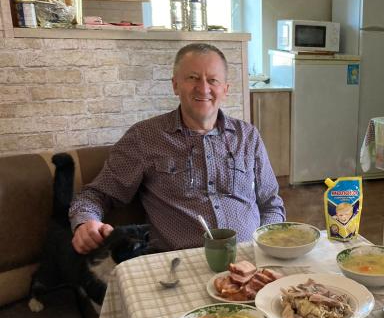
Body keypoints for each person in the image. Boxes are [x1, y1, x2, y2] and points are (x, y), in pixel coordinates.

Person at [70, 43, 285, 254]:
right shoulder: (145, 137)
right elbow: (97, 194)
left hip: (250, 258)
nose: (203, 88)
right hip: (181, 264)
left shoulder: (247, 136)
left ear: (225, 89)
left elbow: (271, 203)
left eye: (213, 80)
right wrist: (86, 222)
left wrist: (266, 246)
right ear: (175, 85)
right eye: (192, 78)